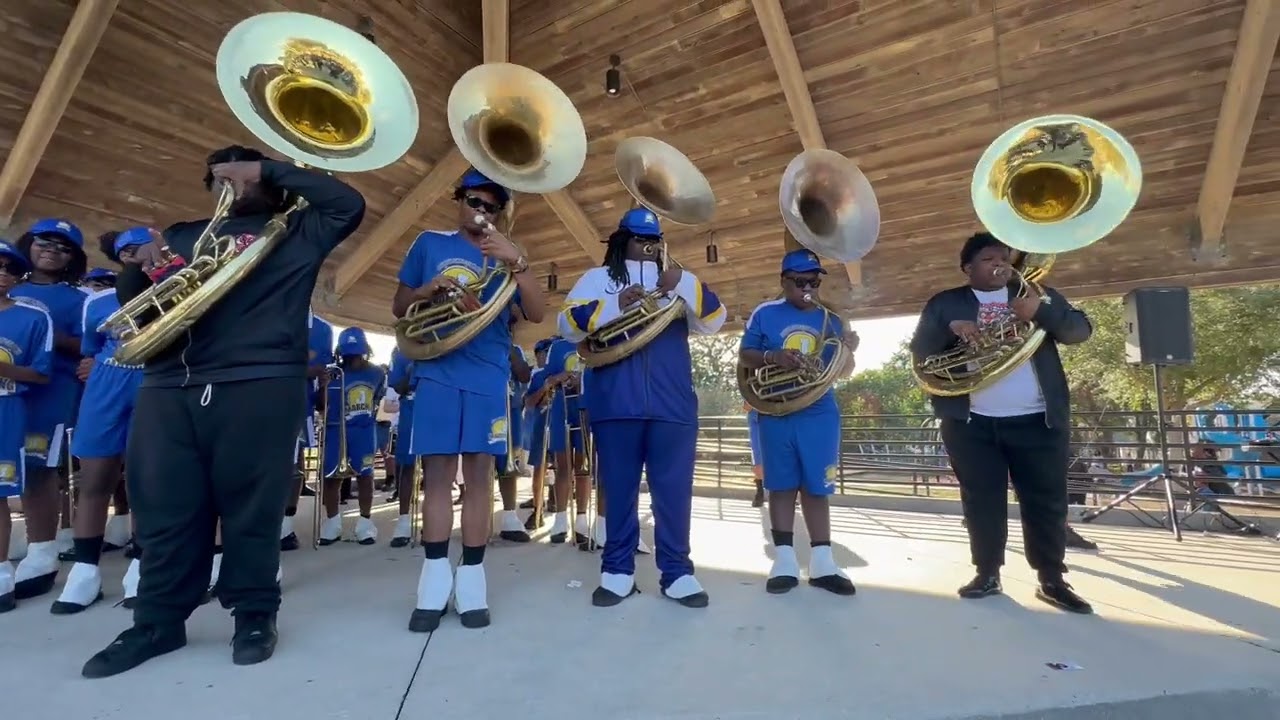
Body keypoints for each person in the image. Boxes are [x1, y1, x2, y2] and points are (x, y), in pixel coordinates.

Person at [81, 144, 365, 678]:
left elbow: (347, 203)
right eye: (219, 175)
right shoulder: (184, 234)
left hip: (259, 381)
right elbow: (141, 307)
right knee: (163, 508)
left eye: (242, 171)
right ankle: (157, 621)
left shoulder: (298, 229)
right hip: (169, 382)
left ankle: (254, 614)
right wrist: (133, 271)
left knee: (252, 510)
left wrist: (272, 170)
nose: (230, 180)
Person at [392, 168, 545, 632]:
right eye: (473, 202)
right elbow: (400, 308)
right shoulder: (429, 244)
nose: (480, 212)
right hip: (437, 370)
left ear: (501, 212)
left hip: (487, 374)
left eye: (490, 206)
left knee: (480, 474)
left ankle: (473, 574)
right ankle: (434, 576)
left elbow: (537, 313)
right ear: (458, 201)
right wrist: (428, 291)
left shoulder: (507, 253)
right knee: (437, 475)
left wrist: (517, 262)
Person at [909, 231, 1092, 614]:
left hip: (1037, 419)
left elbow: (1079, 331)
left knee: (1046, 501)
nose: (1000, 264)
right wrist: (953, 331)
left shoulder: (1035, 292)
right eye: (989, 258)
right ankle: (987, 573)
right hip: (971, 422)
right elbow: (921, 355)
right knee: (981, 500)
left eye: (1004, 258)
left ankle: (1052, 579)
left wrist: (1039, 311)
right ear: (967, 268)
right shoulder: (945, 303)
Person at [558, 207, 726, 608]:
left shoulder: (677, 280)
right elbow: (565, 324)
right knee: (618, 492)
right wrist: (616, 304)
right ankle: (617, 570)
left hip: (673, 405)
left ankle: (678, 573)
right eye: (639, 240)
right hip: (616, 402)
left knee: (674, 493)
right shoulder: (597, 279)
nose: (647, 248)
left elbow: (715, 319)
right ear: (620, 242)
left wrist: (684, 282)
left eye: (654, 242)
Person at [738, 248, 859, 596]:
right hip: (776, 408)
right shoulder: (766, 313)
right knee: (781, 485)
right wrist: (773, 357)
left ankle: (823, 563)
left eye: (813, 282)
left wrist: (850, 350)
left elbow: (844, 372)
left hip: (819, 412)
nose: (807, 288)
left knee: (817, 486)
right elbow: (745, 356)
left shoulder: (832, 320)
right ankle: (785, 561)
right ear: (784, 281)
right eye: (799, 282)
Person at [52, 229, 151, 614]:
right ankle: (84, 570)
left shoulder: (176, 292)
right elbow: (92, 352)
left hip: (154, 384)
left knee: (147, 481)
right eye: (127, 249)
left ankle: (142, 565)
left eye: (143, 246)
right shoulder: (97, 302)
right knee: (94, 481)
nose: (135, 254)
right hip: (107, 386)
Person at [11, 217, 87, 600]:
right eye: (45, 241)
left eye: (63, 247)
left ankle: (43, 552)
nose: (51, 250)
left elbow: (91, 348)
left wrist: (48, 334)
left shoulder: (80, 300)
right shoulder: (9, 287)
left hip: (51, 393)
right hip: (7, 395)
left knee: (40, 470)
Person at [0, 239, 54, 613]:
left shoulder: (33, 317)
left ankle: (1, 574)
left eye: (10, 268)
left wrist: (4, 370)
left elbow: (41, 373)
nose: (2, 273)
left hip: (7, 407)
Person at [316, 327, 385, 546]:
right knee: (331, 478)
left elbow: (377, 400)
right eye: (348, 354)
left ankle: (365, 523)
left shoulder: (377, 373)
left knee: (365, 476)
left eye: (355, 353)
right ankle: (332, 522)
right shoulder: (332, 372)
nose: (351, 358)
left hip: (363, 432)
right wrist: (324, 386)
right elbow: (320, 406)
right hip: (335, 430)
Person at [386, 347, 417, 547]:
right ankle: (404, 522)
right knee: (407, 469)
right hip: (410, 412)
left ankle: (432, 520)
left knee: (436, 470)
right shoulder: (401, 351)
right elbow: (398, 387)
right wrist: (416, 368)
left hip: (438, 410)